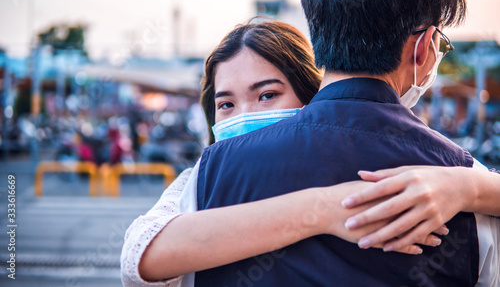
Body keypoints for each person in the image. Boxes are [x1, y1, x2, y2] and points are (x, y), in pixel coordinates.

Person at [187, 0, 499, 286]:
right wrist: (473, 183)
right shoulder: (464, 187)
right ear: (424, 48)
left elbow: (142, 261)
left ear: (317, 28)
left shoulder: (208, 177)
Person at [121, 20, 444, 287]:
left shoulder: (359, 165)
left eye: (267, 95)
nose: (244, 115)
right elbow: (138, 259)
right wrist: (323, 210)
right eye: (226, 105)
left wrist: (471, 187)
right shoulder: (201, 180)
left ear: (309, 94)